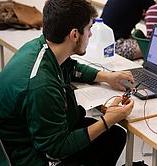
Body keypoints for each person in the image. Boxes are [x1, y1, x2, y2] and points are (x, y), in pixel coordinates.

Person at [0, 0, 135, 165]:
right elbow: (56, 148)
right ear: (74, 35)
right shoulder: (41, 85)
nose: (91, 35)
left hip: (34, 135)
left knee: (115, 136)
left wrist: (105, 76)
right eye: (89, 29)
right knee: (109, 136)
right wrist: (107, 120)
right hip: (31, 156)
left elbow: (71, 67)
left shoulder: (41, 46)